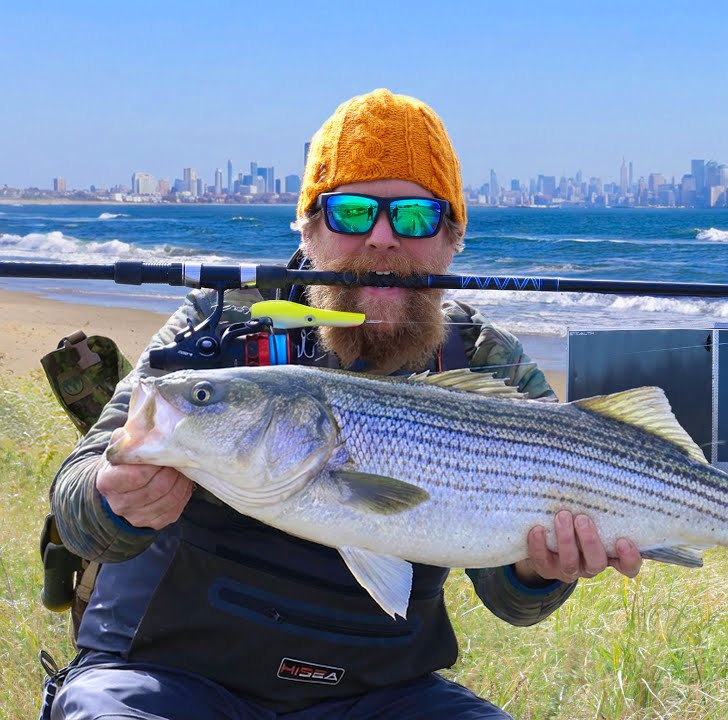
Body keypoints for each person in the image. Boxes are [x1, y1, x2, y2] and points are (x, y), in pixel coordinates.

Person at [46, 88, 643, 719]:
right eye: (352, 212)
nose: (382, 239)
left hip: (382, 697)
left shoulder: (487, 361)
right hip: (169, 680)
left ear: (452, 239)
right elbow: (76, 496)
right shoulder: (218, 329)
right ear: (308, 229)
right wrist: (114, 500)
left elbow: (513, 602)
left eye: (414, 217)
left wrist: (540, 572)